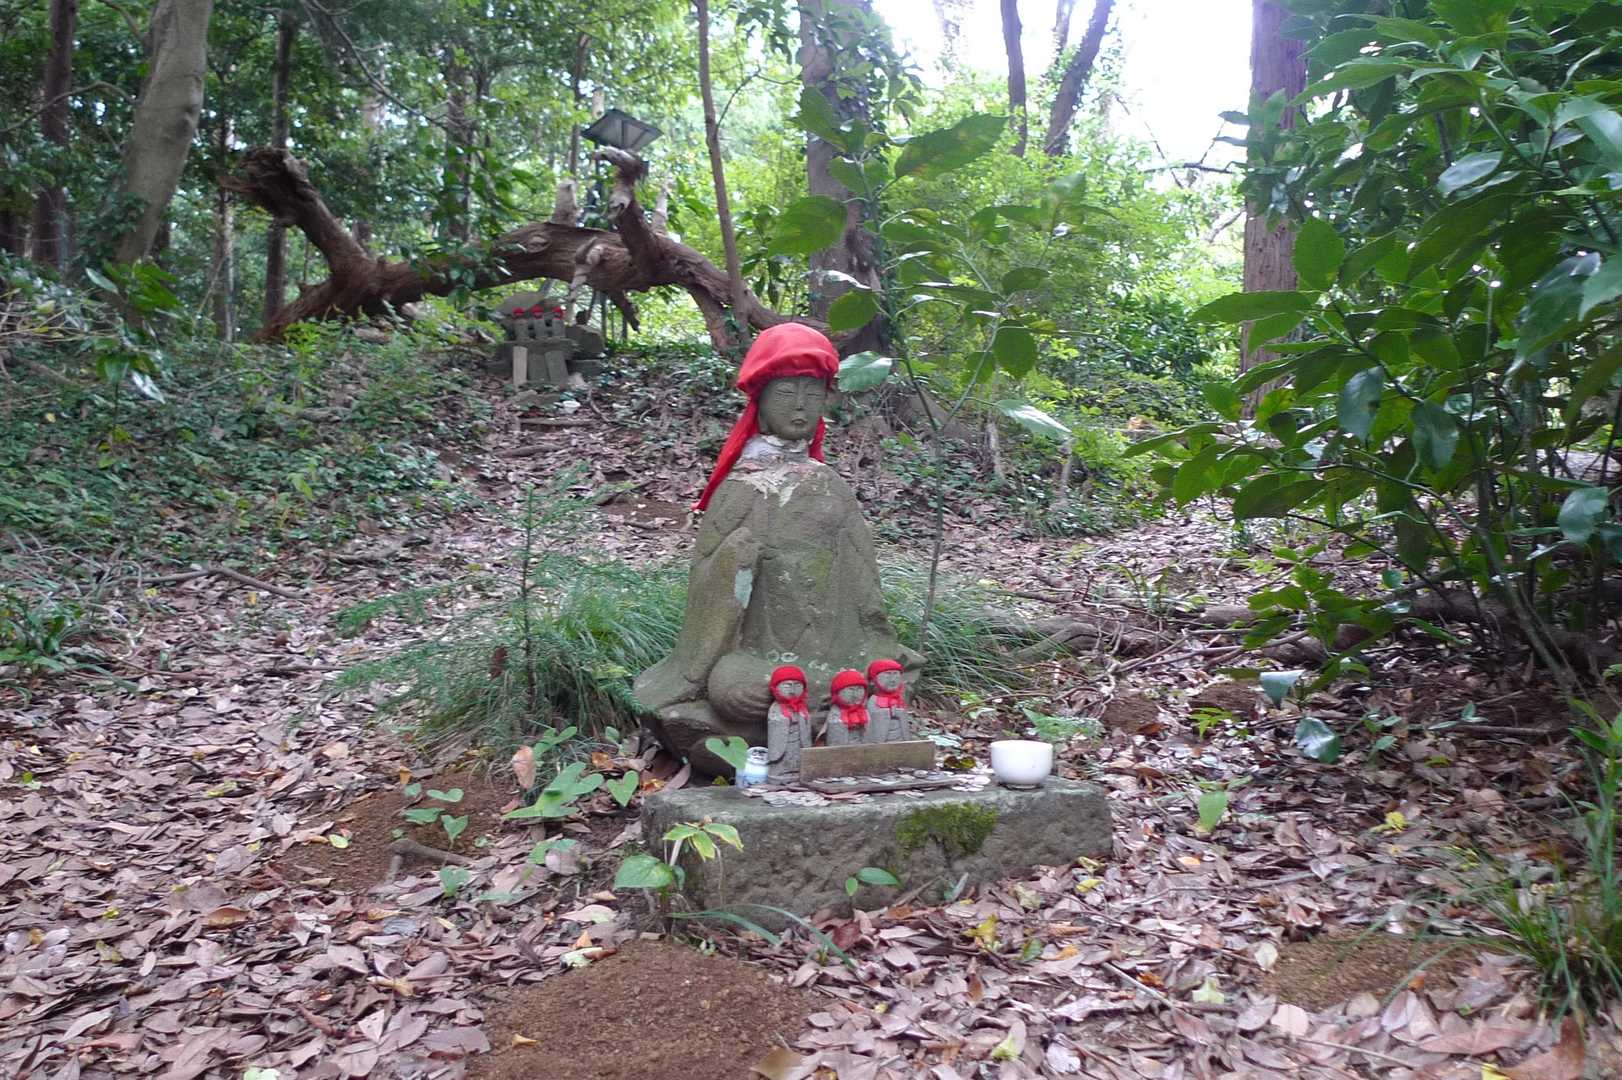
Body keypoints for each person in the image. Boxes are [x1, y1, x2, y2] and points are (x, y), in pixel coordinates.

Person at [633, 324, 919, 774]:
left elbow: (863, 578)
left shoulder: (829, 486)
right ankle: (820, 707)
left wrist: (872, 633)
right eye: (786, 393)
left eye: (813, 394)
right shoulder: (742, 486)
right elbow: (706, 574)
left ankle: (822, 706)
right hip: (759, 654)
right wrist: (735, 559)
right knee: (731, 689)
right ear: (761, 402)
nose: (800, 406)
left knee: (881, 672)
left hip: (833, 647)